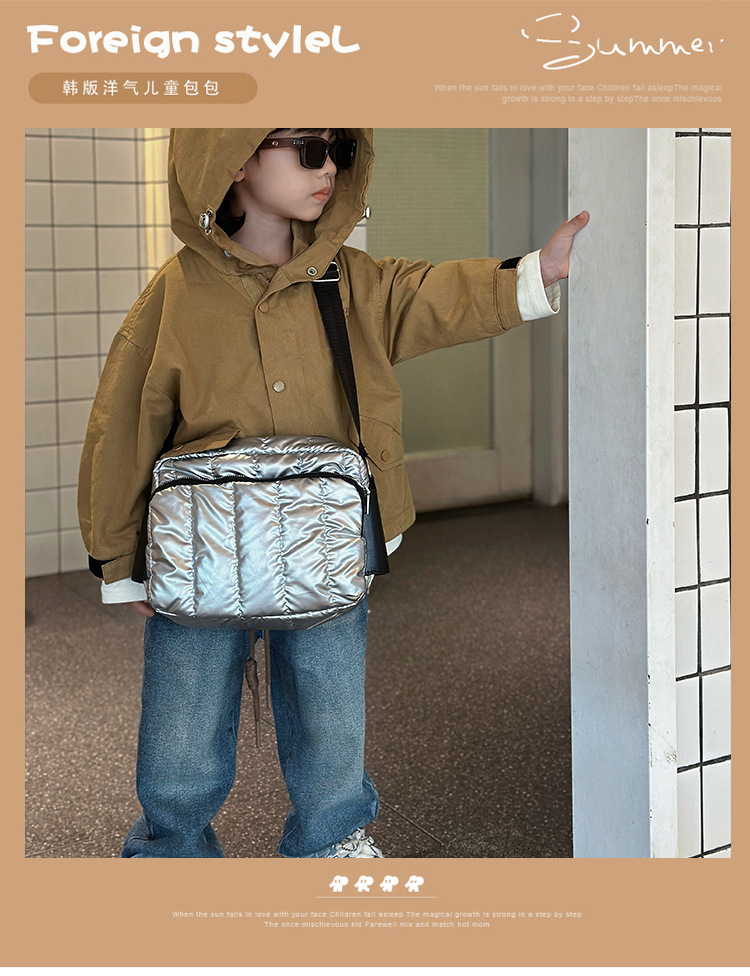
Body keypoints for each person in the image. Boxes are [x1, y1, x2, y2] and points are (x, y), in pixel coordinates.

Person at [78, 128, 589, 859]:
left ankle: (330, 838)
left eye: (340, 150)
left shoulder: (352, 282)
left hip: (325, 542)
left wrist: (535, 272)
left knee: (330, 702)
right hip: (201, 550)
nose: (329, 169)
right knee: (182, 717)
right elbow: (124, 427)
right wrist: (120, 559)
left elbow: (433, 296)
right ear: (236, 156)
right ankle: (171, 847)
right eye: (309, 149)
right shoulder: (176, 295)